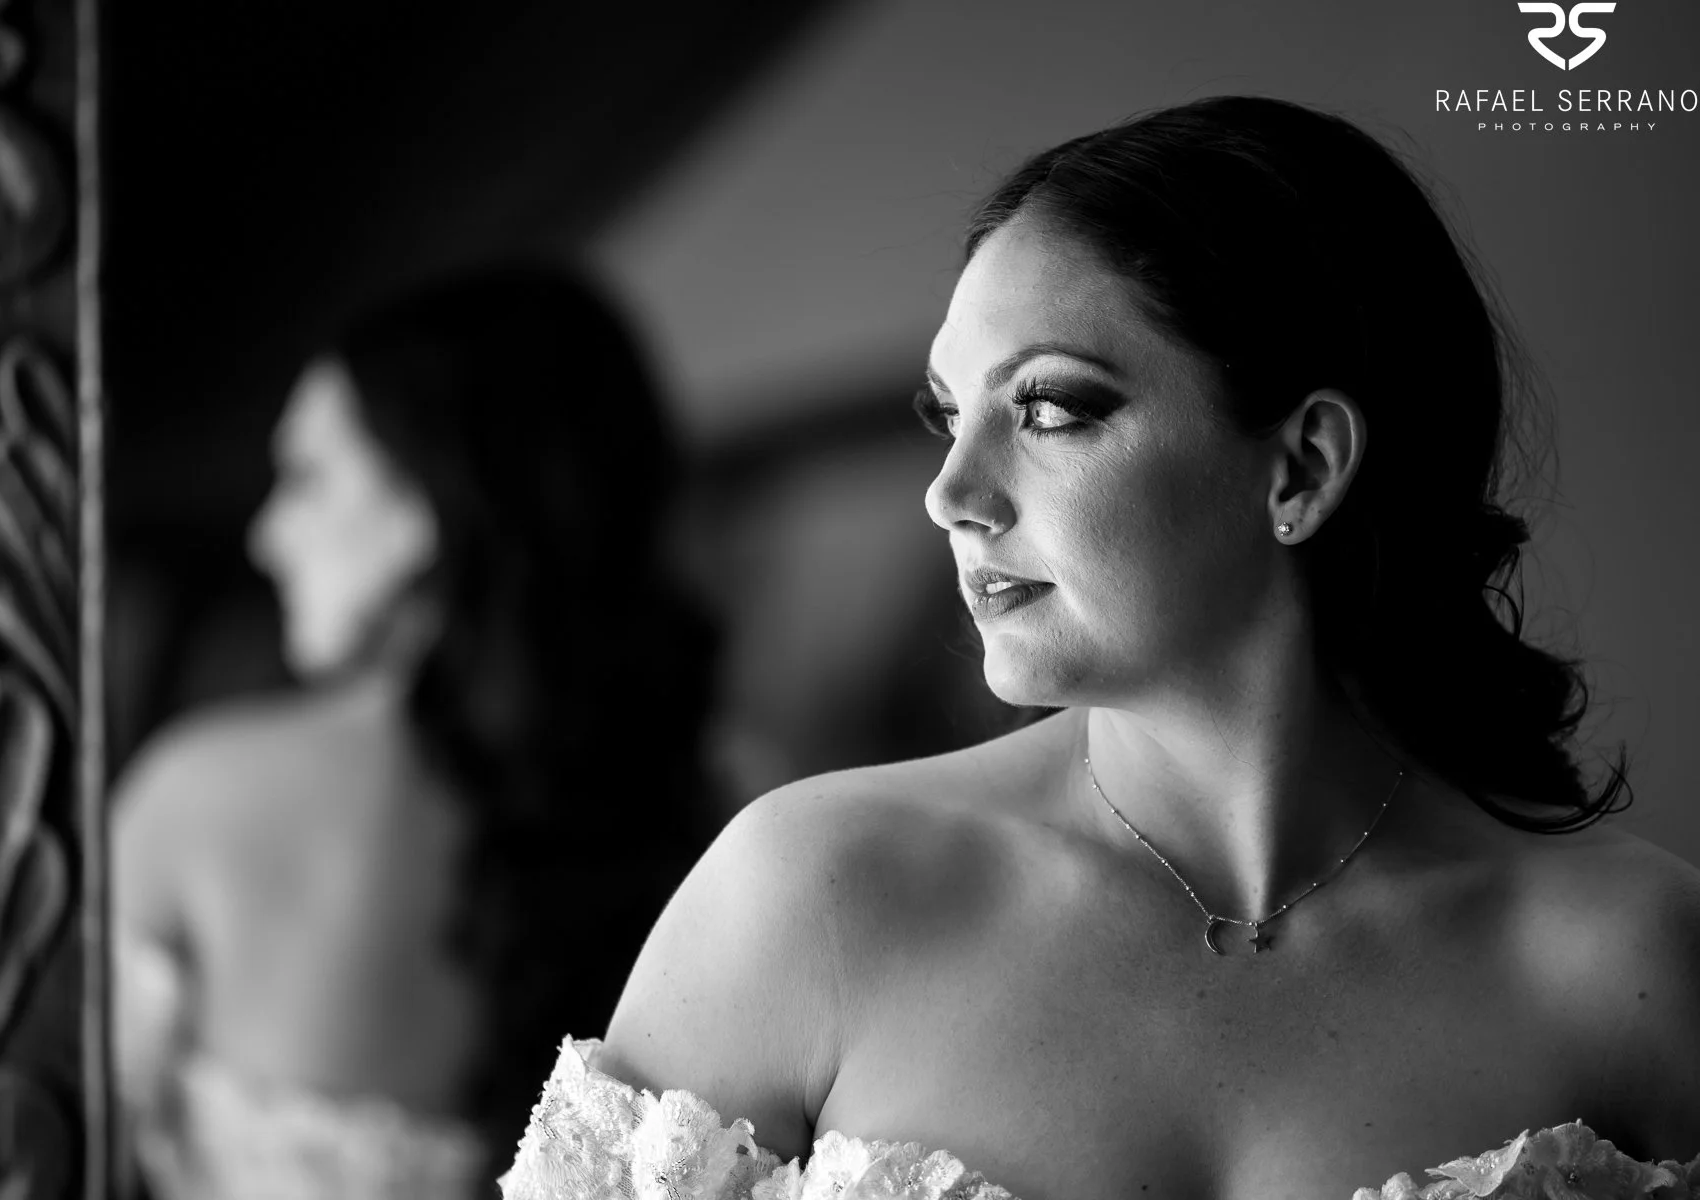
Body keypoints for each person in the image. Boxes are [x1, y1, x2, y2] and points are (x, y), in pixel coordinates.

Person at [500, 98, 1700, 1200]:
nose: (950, 494)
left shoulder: (1632, 960)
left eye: (1050, 408)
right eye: (948, 416)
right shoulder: (811, 896)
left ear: (1302, 467)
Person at [111, 265, 713, 1200]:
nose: (266, 535)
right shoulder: (722, 820)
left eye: (305, 477)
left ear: (425, 507)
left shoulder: (200, 795)